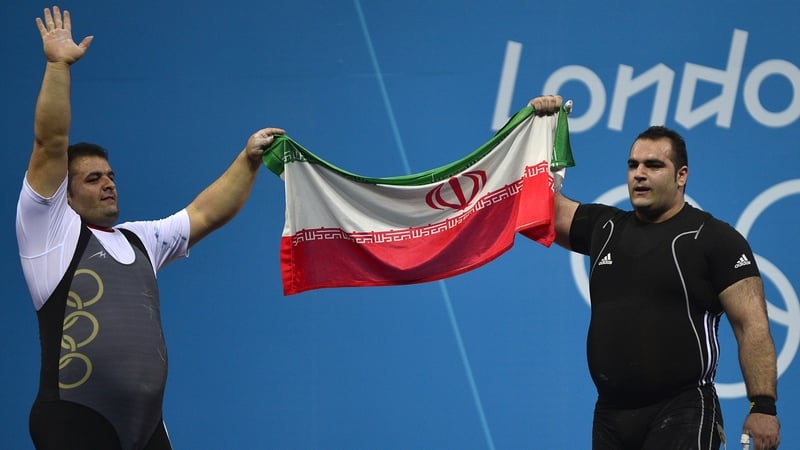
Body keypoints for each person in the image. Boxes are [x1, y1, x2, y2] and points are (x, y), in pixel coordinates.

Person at [16, 6, 284, 449]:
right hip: (75, 421)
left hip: (145, 427)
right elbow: (50, 144)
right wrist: (58, 66)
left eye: (111, 177)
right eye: (93, 178)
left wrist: (248, 159)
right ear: (65, 191)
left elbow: (204, 213)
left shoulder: (140, 240)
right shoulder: (48, 232)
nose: (108, 184)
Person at [528, 95, 781, 450]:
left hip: (683, 409)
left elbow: (751, 325)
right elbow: (539, 208)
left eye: (652, 165)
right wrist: (539, 131)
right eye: (632, 165)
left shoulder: (714, 239)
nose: (639, 174)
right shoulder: (605, 227)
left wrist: (763, 405)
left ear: (681, 176)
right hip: (611, 416)